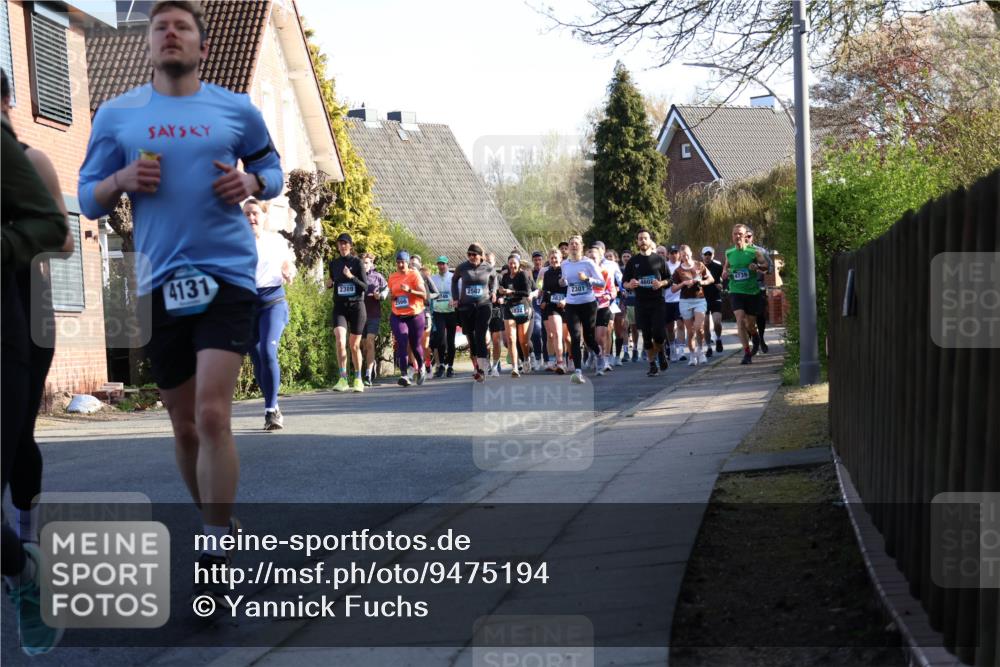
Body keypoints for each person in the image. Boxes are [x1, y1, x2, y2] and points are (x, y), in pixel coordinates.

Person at [77, 0, 284, 610]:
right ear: (148, 45)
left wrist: (251, 182)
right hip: (158, 282)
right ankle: (219, 522)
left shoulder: (235, 108)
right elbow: (87, 197)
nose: (170, 33)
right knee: (185, 424)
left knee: (215, 415)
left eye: (182, 27)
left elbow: (271, 166)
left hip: (225, 275)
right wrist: (119, 183)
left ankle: (215, 545)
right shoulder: (118, 115)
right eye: (160, 26)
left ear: (201, 47)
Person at [2, 69, 70, 655]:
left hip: (25, 313)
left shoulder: (30, 159)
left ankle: (25, 546)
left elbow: (63, 237)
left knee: (18, 436)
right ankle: (22, 563)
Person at [244, 200, 295, 429]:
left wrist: (288, 271)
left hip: (273, 301)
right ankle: (273, 405)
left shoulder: (276, 240)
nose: (251, 218)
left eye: (254, 213)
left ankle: (270, 412)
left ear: (263, 217)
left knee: (267, 351)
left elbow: (287, 264)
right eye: (246, 214)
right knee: (257, 359)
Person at [623, 230, 671, 377]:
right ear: (637, 242)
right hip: (641, 303)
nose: (643, 241)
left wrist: (661, 283)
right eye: (640, 239)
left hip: (657, 302)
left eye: (645, 238)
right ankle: (652, 364)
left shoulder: (659, 260)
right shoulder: (633, 262)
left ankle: (661, 352)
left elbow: (670, 280)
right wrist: (630, 285)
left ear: (650, 241)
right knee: (647, 336)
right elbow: (624, 283)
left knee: (658, 334)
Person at [722, 224, 769, 365]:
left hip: (752, 292)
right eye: (735, 234)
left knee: (750, 324)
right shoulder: (729, 253)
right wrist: (725, 273)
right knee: (740, 319)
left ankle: (755, 336)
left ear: (745, 235)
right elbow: (726, 268)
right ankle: (747, 353)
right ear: (732, 236)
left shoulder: (754, 252)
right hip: (735, 291)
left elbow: (766, 266)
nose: (737, 236)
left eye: (740, 234)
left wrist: (758, 267)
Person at [561, 235, 605, 384]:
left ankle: (599, 354)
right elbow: (566, 282)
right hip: (572, 304)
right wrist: (562, 282)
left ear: (581, 246)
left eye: (576, 244)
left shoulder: (588, 263)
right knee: (575, 336)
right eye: (571, 243)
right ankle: (578, 372)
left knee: (588, 338)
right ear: (568, 247)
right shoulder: (564, 264)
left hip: (588, 303)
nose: (574, 246)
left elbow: (602, 283)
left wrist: (587, 279)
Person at [327, 233, 368, 392]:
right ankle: (343, 378)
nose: (343, 246)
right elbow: (333, 281)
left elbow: (365, 287)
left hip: (357, 306)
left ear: (350, 246)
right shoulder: (334, 264)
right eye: (340, 244)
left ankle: (358, 378)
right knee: (339, 340)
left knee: (354, 345)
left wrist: (351, 277)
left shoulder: (357, 263)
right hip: (340, 307)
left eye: (345, 244)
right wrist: (330, 284)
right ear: (337, 246)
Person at [451, 243, 496, 382]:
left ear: (480, 255)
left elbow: (495, 280)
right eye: (469, 254)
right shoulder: (462, 267)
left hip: (484, 305)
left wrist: (493, 292)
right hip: (466, 306)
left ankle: (482, 370)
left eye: (474, 255)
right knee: (471, 336)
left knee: (480, 335)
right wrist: (456, 298)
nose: (471, 257)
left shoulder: (488, 267)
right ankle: (477, 366)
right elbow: (454, 281)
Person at [387, 251, 427, 385]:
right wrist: (392, 297)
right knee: (402, 341)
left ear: (408, 262)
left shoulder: (414, 275)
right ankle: (404, 375)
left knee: (415, 345)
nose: (400, 264)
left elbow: (424, 295)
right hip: (398, 315)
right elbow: (391, 295)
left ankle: (421, 367)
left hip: (415, 314)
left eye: (402, 262)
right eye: (398, 262)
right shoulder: (392, 277)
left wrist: (410, 290)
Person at [670, 245, 713, 365]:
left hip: (699, 299)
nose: (685, 256)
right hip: (685, 301)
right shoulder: (678, 271)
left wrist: (701, 281)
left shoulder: (699, 265)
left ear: (691, 253)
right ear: (680, 256)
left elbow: (711, 279)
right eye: (683, 255)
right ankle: (693, 355)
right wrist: (683, 283)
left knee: (698, 327)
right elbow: (673, 289)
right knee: (690, 331)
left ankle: (701, 352)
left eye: (687, 254)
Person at [498, 253, 534, 377]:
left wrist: (511, 292)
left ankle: (526, 358)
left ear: (518, 264)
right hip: (509, 308)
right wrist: (501, 293)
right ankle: (514, 367)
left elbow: (526, 292)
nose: (512, 265)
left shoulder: (523, 275)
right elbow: (501, 292)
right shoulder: (505, 277)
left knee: (523, 340)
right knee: (511, 339)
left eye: (515, 263)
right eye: (510, 263)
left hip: (522, 307)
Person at [586, 243, 616, 375]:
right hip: (587, 307)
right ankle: (592, 353)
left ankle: (602, 361)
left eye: (595, 258)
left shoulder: (605, 272)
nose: (593, 260)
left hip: (603, 306)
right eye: (590, 258)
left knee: (600, 337)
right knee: (589, 337)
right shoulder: (583, 273)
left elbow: (612, 289)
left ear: (600, 258)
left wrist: (607, 296)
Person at [745, 227, 773, 354]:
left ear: (753, 237)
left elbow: (770, 268)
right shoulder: (736, 252)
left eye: (749, 236)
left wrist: (759, 267)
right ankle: (754, 340)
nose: (746, 238)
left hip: (758, 286)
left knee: (760, 316)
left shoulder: (760, 251)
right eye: (744, 236)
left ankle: (761, 338)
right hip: (743, 288)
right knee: (746, 318)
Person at [361, 252, 387, 386]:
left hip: (373, 314)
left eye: (367, 263)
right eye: (363, 262)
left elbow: (386, 290)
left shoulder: (378, 277)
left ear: (371, 264)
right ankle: (372, 362)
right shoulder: (357, 276)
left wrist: (380, 296)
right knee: (364, 346)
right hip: (360, 315)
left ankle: (368, 374)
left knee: (370, 342)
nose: (364, 265)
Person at [540, 247, 567, 373]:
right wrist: (544, 300)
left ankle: (569, 359)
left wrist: (565, 300)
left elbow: (571, 287)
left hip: (566, 305)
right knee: (556, 334)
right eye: (551, 258)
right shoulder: (547, 273)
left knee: (568, 337)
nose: (554, 260)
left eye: (556, 257)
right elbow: (546, 289)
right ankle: (559, 362)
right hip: (552, 306)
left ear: (561, 259)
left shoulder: (566, 270)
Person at [430, 256, 457, 378]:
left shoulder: (453, 278)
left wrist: (455, 299)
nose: (441, 266)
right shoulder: (433, 279)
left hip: (451, 312)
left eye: (443, 264)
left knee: (451, 340)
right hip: (438, 312)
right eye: (439, 264)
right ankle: (441, 365)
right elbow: (429, 293)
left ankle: (450, 366)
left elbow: (459, 293)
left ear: (447, 265)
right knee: (440, 338)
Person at [701, 247, 725, 356]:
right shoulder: (698, 267)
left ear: (713, 255)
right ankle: (709, 347)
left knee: (717, 322)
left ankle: (718, 339)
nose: (707, 256)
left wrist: (722, 285)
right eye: (705, 254)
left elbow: (725, 280)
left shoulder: (718, 267)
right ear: (702, 255)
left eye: (709, 254)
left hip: (715, 297)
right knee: (705, 324)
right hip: (703, 298)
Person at [606, 249, 628, 366]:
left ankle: (618, 356)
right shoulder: (601, 269)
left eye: (611, 257)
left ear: (616, 259)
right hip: (606, 302)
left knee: (619, 329)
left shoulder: (617, 269)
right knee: (608, 329)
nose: (609, 258)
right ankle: (608, 355)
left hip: (617, 302)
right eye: (607, 256)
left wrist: (621, 289)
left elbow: (622, 282)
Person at [664, 244, 685, 363]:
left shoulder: (682, 266)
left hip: (680, 299)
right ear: (668, 254)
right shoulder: (664, 266)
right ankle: (672, 348)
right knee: (670, 328)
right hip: (667, 300)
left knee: (681, 325)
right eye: (671, 253)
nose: (674, 255)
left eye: (676, 252)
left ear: (679, 254)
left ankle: (681, 350)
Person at [528, 250, 548, 371]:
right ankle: (537, 357)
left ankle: (547, 359)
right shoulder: (530, 273)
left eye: (539, 259)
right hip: (535, 304)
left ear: (542, 260)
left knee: (546, 333)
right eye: (535, 259)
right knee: (536, 331)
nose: (537, 261)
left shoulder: (546, 271)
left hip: (547, 303)